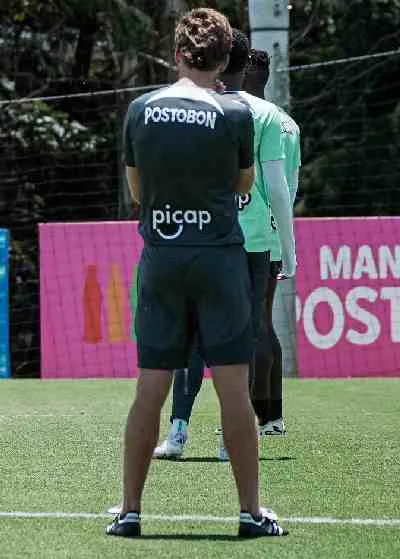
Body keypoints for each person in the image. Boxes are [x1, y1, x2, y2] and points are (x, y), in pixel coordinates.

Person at [109, 8, 285, 537]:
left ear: (178, 54)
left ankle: (130, 512)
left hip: (162, 259)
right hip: (219, 260)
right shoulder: (237, 115)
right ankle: (251, 514)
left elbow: (137, 194)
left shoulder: (141, 110)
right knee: (234, 390)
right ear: (226, 58)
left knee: (150, 390)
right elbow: (242, 185)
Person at [150, 29, 295, 461]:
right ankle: (231, 439)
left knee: (192, 338)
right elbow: (279, 186)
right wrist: (288, 246)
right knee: (242, 338)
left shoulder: (189, 108)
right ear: (245, 64)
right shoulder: (269, 115)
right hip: (252, 242)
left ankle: (177, 432)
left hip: (199, 238)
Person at [247, 48, 300, 435]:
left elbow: (275, 187)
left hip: (248, 233)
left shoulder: (242, 116)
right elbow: (289, 188)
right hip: (274, 230)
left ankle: (250, 415)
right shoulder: (289, 125)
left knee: (252, 325)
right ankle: (273, 416)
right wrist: (288, 242)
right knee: (264, 321)